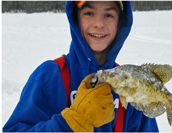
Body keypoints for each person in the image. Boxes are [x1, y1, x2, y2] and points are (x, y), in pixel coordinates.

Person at [3, 1, 159, 132]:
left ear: (120, 24)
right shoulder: (49, 77)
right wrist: (70, 123)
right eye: (89, 13)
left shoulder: (131, 83)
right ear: (76, 19)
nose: (99, 23)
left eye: (109, 15)